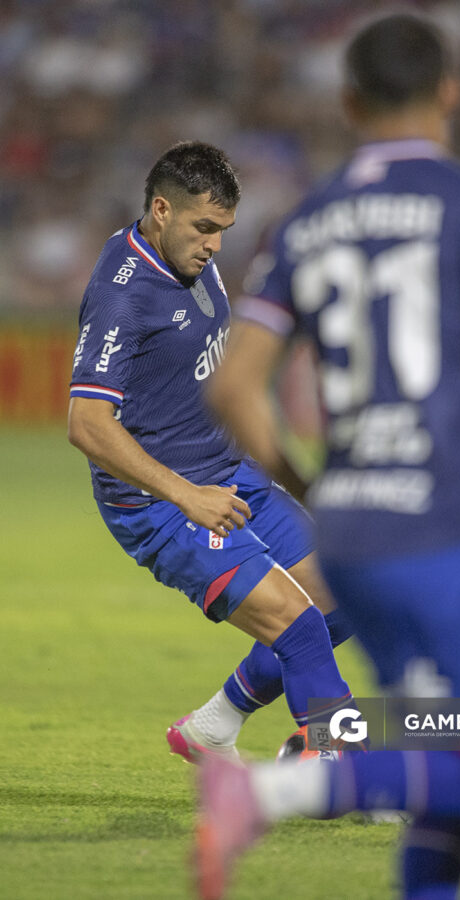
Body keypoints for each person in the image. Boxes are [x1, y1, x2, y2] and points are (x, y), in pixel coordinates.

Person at [198, 12, 460, 900]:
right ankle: (270, 790)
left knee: (436, 739)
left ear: (348, 99)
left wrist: (304, 485)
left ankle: (328, 751)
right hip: (443, 526)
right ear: (451, 90)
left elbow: (234, 387)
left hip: (352, 539)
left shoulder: (308, 220)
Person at [67, 140, 356, 765]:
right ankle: (342, 765)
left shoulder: (195, 261)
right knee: (298, 625)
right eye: (204, 228)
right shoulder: (125, 292)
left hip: (230, 473)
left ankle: (215, 724)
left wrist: (289, 474)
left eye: (224, 230)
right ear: (162, 210)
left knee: (342, 594)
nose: (215, 244)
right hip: (161, 504)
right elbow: (86, 423)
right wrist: (186, 495)